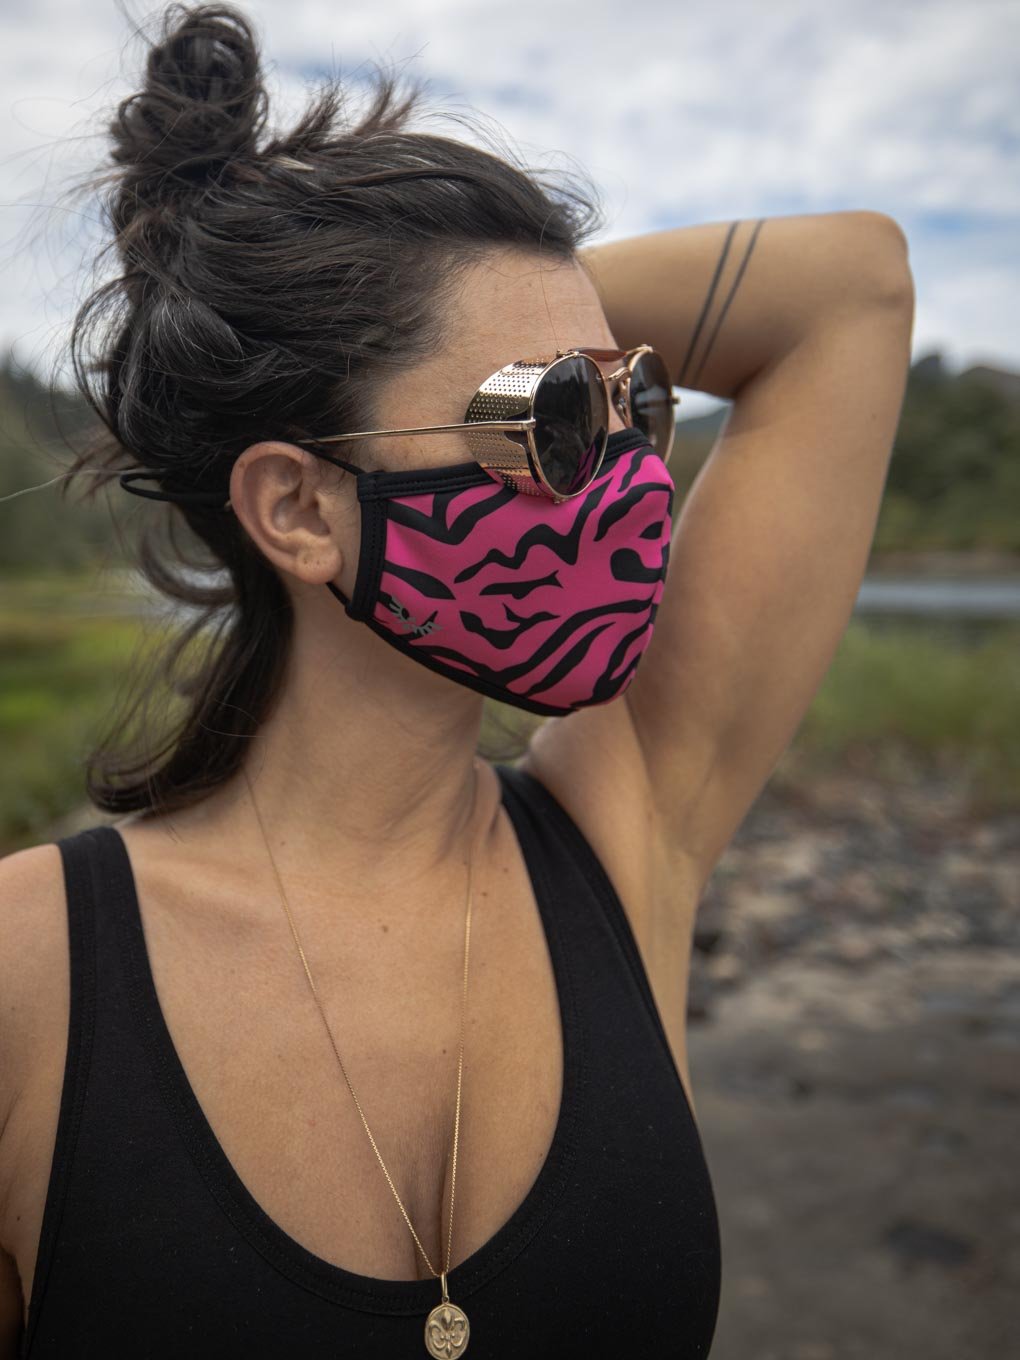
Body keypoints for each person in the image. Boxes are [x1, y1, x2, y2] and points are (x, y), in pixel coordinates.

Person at [0, 4, 915, 1357]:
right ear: (300, 511)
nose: (632, 478)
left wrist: (528, 334)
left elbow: (857, 285)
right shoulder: (28, 976)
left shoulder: (622, 835)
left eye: (639, 410)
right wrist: (295, 333)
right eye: (550, 420)